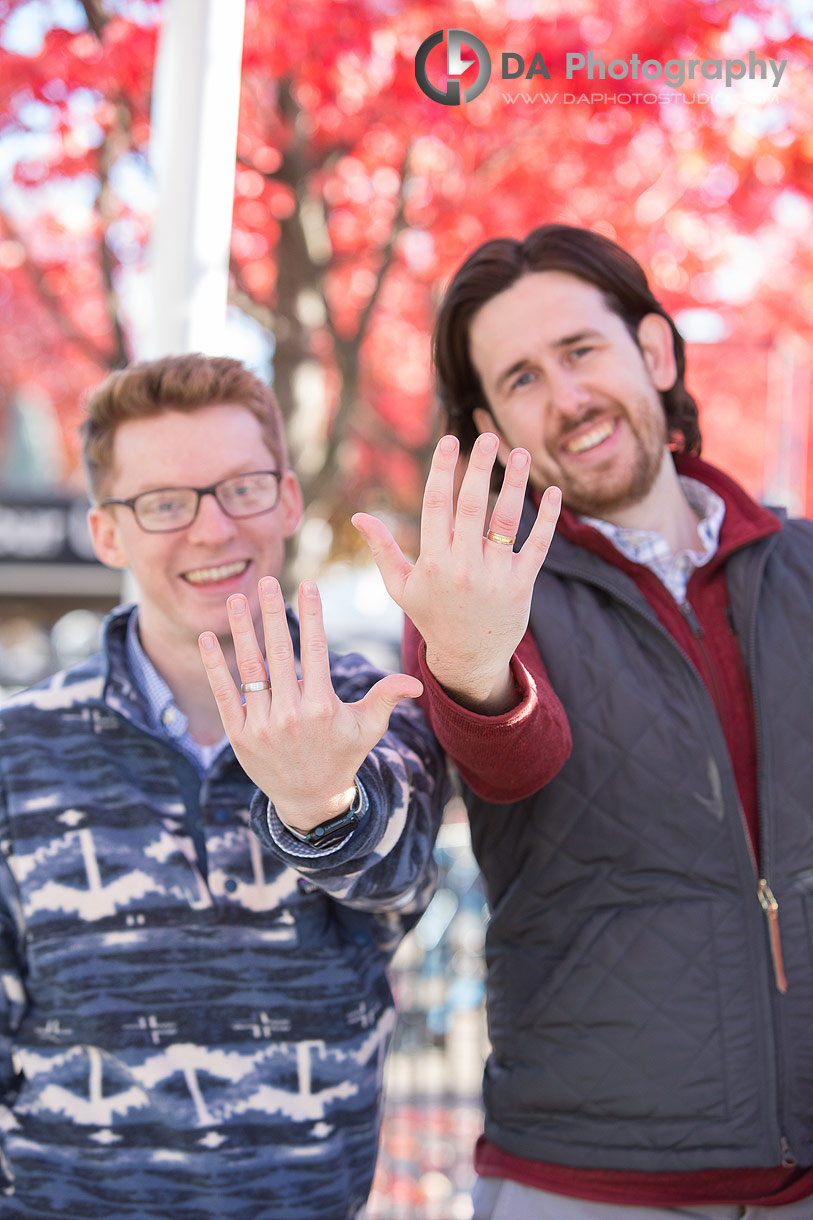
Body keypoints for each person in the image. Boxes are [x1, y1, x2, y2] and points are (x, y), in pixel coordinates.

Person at [352, 224, 813, 1219]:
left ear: (652, 350)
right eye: (521, 379)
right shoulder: (481, 594)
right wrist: (471, 666)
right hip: (587, 1180)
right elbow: (512, 759)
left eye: (580, 351)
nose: (565, 399)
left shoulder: (802, 567)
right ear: (490, 425)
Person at [0, 353, 451, 1220]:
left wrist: (318, 803)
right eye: (165, 503)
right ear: (107, 534)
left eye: (240, 488)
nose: (211, 531)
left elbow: (400, 879)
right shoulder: (20, 745)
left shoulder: (371, 703)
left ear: (285, 499)